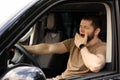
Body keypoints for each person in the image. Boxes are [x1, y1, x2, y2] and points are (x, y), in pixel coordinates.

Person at [23, 16, 106, 80]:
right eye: (81, 26)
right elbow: (48, 48)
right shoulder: (73, 42)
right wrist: (23, 48)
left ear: (96, 31)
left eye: (86, 27)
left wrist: (81, 46)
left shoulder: (102, 47)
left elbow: (95, 66)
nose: (81, 30)